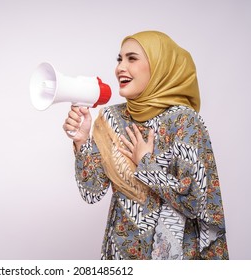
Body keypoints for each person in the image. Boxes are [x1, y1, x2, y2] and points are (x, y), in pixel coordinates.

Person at [62, 30, 229, 260]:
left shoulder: (184, 121)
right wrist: (82, 141)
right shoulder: (111, 118)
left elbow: (194, 202)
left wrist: (145, 163)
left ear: (160, 65)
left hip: (175, 257)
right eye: (120, 59)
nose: (121, 67)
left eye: (132, 58)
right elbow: (92, 193)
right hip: (121, 253)